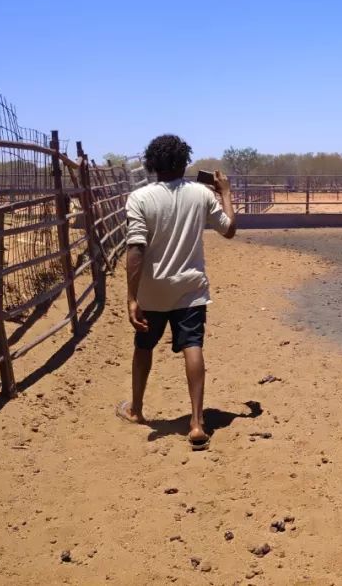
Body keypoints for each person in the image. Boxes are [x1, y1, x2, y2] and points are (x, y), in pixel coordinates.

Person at [116, 134, 237, 449]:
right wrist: (225, 193)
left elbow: (135, 248)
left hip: (152, 291)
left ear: (151, 164)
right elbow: (229, 230)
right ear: (185, 162)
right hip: (190, 289)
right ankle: (197, 423)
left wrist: (132, 296)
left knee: (144, 347)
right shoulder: (201, 194)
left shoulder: (140, 198)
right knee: (192, 345)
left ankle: (137, 410)